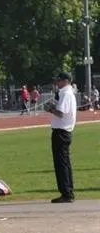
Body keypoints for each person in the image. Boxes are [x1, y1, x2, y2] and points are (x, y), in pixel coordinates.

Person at [44, 72, 77, 203]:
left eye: (59, 80)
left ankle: (66, 193)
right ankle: (68, 191)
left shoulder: (66, 93)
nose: (57, 83)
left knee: (61, 164)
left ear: (66, 81)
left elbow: (61, 113)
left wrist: (50, 109)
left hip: (61, 132)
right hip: (64, 132)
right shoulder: (67, 93)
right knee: (65, 163)